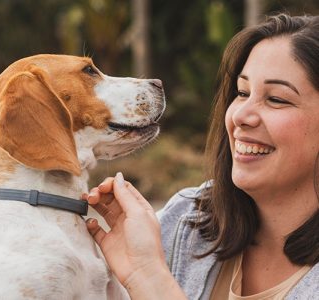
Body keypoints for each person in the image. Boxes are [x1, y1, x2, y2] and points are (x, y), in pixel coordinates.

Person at [84, 13, 319, 299]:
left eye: (277, 99)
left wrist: (150, 277)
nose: (241, 116)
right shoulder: (187, 220)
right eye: (242, 92)